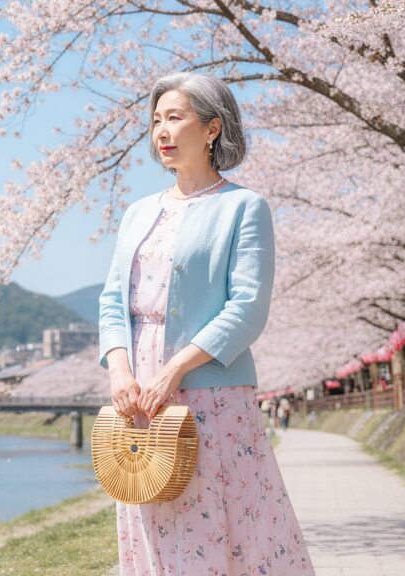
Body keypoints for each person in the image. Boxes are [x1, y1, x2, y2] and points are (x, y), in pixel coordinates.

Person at [99, 72, 314, 575]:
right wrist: (119, 373)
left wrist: (174, 370)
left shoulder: (243, 207)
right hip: (138, 391)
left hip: (211, 387)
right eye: (156, 121)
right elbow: (113, 301)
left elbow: (246, 308)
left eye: (175, 118)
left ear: (212, 128)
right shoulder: (137, 213)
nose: (162, 132)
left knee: (225, 517)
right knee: (151, 504)